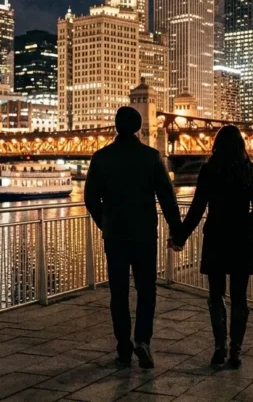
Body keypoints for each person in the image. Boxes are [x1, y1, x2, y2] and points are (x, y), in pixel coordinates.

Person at [85, 106, 181, 369]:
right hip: (145, 235)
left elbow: (90, 198)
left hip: (115, 235)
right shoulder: (151, 157)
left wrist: (104, 222)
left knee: (119, 293)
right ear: (139, 127)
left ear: (116, 126)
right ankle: (143, 341)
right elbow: (167, 198)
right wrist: (177, 229)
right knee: (146, 290)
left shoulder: (101, 157)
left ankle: (123, 348)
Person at [171, 125, 253, 369]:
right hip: (241, 239)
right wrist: (247, 225)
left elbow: (197, 208)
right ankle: (236, 351)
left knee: (215, 294)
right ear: (240, 145)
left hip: (215, 237)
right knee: (239, 297)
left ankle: (219, 348)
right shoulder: (251, 170)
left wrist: (180, 236)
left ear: (217, 145)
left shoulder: (208, 170)